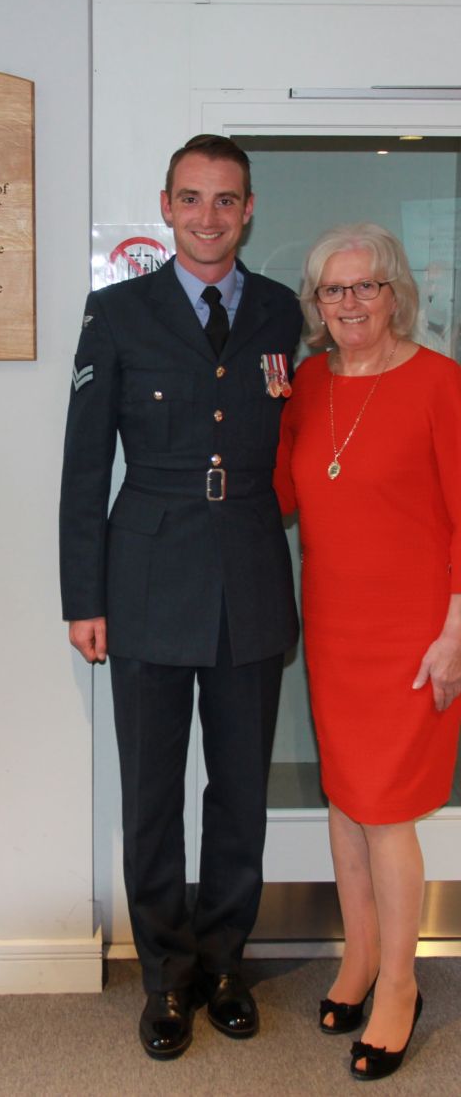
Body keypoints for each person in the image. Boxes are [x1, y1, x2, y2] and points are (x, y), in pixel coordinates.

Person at [60, 135, 301, 1059]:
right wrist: (84, 595)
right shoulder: (117, 312)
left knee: (238, 791)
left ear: (248, 210)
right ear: (165, 206)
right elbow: (86, 467)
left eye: (226, 200)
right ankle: (165, 976)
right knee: (153, 794)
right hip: (146, 576)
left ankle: (225, 961)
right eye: (191, 198)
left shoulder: (282, 313)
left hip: (248, 568)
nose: (208, 216)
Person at [274, 222, 461, 1081]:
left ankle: (399, 983)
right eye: (332, 291)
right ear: (316, 306)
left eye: (365, 287)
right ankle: (357, 954)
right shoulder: (308, 384)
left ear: (396, 294)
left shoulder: (440, 384)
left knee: (386, 811)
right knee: (347, 802)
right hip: (336, 627)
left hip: (414, 634)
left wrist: (456, 631)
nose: (349, 303)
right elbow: (283, 490)